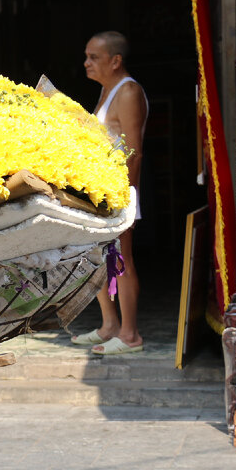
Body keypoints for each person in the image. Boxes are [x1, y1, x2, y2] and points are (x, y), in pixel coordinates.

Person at [71, 31, 148, 356]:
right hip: (101, 188)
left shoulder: (128, 91)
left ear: (115, 61)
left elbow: (134, 151)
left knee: (122, 262)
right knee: (100, 259)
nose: (86, 63)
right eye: (87, 56)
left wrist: (122, 197)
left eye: (94, 57)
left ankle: (130, 335)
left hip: (119, 191)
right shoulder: (107, 90)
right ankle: (109, 326)